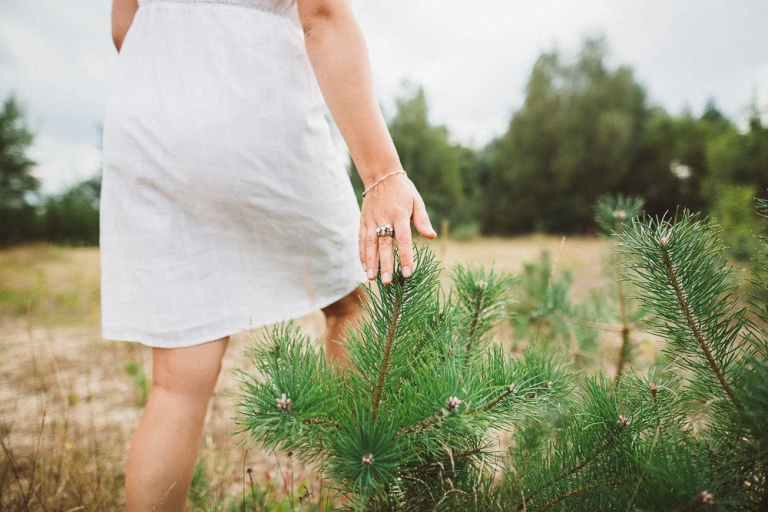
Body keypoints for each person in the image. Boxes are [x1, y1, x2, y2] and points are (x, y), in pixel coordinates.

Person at [104, 0, 435, 509]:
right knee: (352, 304)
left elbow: (123, 25)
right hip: (251, 93)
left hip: (148, 116)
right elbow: (322, 14)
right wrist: (383, 173)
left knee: (175, 383)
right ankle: (368, 491)